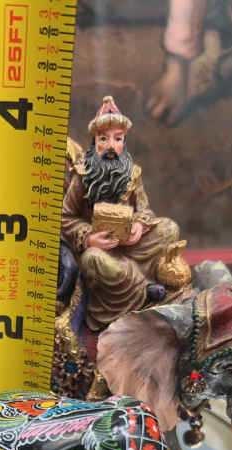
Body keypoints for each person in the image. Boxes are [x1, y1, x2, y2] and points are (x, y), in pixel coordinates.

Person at [61, 96, 182, 331]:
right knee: (92, 260)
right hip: (101, 249)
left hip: (129, 244)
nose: (110, 145)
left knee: (169, 228)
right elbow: (66, 217)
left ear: (124, 142)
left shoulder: (132, 174)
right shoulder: (82, 175)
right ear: (94, 141)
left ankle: (149, 277)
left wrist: (139, 226)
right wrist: (88, 238)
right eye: (103, 139)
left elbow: (145, 210)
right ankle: (143, 290)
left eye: (117, 139)